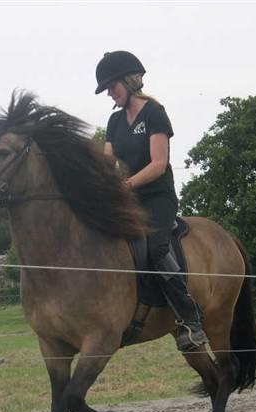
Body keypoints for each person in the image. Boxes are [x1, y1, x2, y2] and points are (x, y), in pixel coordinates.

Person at [95, 50, 208, 352]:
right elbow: (108, 161)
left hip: (158, 197)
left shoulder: (154, 113)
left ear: (128, 82)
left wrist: (127, 183)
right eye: (107, 89)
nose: (110, 94)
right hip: (130, 198)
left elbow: (159, 164)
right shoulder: (115, 121)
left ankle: (190, 317)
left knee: (157, 248)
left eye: (112, 87)